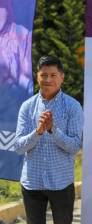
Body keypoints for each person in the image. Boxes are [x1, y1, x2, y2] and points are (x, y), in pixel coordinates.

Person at [14, 56, 84, 224]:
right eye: (44, 75)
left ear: (62, 77)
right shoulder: (27, 106)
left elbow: (75, 146)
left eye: (53, 75)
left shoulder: (73, 106)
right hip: (32, 183)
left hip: (61, 182)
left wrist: (53, 130)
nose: (48, 79)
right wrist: (38, 132)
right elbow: (18, 147)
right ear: (37, 76)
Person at [0, 0, 32, 133]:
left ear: (8, 11)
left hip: (11, 105)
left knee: (7, 149)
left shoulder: (21, 34)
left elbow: (26, 79)